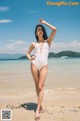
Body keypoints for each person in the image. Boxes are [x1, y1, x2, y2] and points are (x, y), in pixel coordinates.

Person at [26, 19, 57, 120]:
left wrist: (44, 23)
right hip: (34, 64)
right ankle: (41, 105)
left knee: (41, 86)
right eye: (38, 30)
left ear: (43, 32)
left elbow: (55, 29)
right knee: (37, 85)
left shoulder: (48, 41)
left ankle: (37, 109)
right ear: (36, 33)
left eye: (41, 30)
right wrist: (30, 58)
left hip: (44, 65)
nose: (39, 31)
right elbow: (27, 53)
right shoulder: (33, 43)